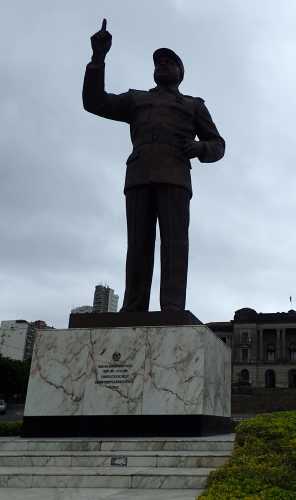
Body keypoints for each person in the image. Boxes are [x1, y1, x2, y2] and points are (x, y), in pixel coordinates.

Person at [83, 19, 225, 312]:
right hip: (138, 176)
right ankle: (134, 308)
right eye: (158, 62)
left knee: (174, 246)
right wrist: (98, 58)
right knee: (138, 246)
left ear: (179, 73)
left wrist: (200, 148)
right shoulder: (137, 99)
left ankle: (172, 309)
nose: (162, 65)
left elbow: (218, 144)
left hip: (174, 177)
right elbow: (94, 102)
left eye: (169, 62)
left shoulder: (193, 105)